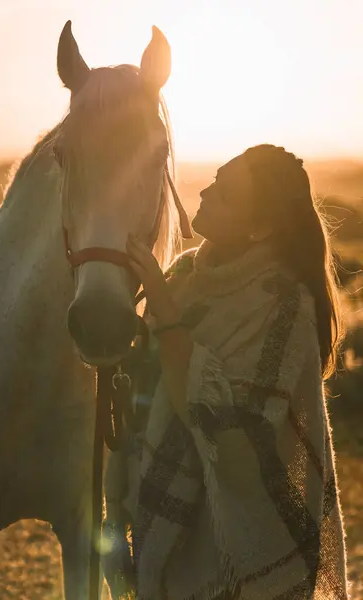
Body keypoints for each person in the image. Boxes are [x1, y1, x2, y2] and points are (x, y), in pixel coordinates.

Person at [103, 144, 349, 600]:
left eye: (226, 195)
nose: (205, 191)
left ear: (259, 229)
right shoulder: (184, 276)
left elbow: (230, 438)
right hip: (165, 517)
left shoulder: (286, 305)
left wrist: (165, 310)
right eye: (215, 179)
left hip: (245, 543)